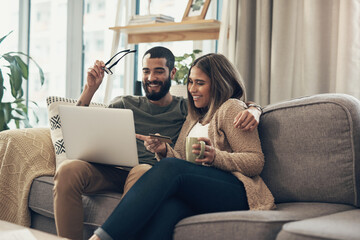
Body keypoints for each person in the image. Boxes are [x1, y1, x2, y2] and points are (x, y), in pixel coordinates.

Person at [53, 47, 262, 240]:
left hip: (231, 186)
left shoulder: (225, 108)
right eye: (191, 82)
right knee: (168, 211)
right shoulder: (192, 115)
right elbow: (180, 158)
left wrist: (254, 109)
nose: (192, 89)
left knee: (160, 168)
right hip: (190, 186)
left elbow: (255, 159)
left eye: (200, 83)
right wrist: (163, 150)